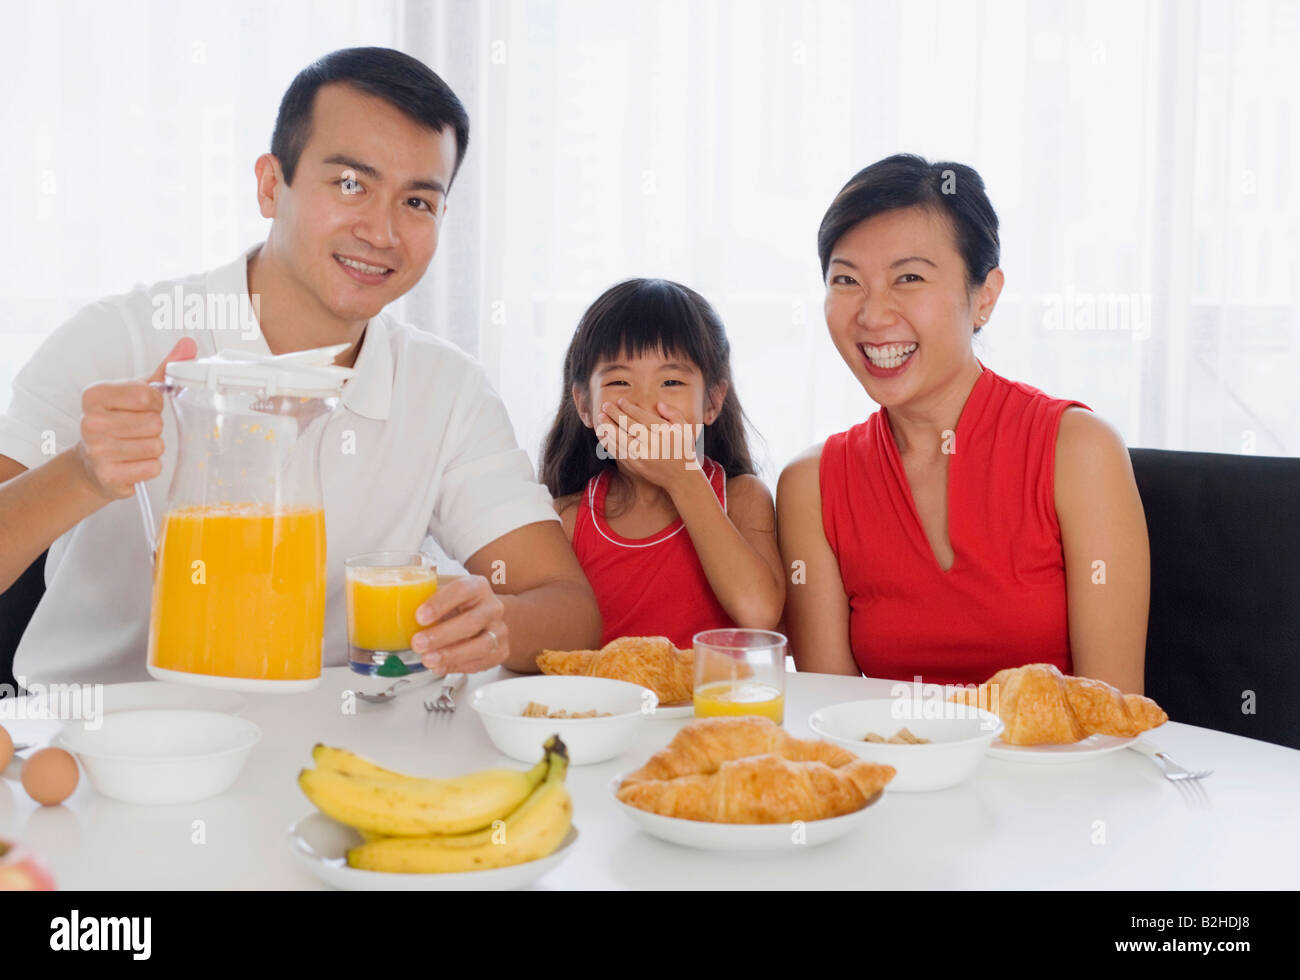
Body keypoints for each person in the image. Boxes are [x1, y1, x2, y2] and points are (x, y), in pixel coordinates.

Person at [0, 47, 600, 686]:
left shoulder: (445, 389)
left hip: (323, 747)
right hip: (101, 747)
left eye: (418, 202)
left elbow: (567, 609)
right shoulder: (119, 340)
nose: (381, 231)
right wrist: (85, 474)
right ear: (269, 184)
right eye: (350, 184)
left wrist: (500, 622)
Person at [777, 154, 1150, 693]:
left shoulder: (1078, 450)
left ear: (985, 297)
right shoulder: (810, 484)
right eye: (846, 279)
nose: (873, 314)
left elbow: (1113, 716)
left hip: (1059, 775)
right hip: (897, 774)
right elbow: (832, 713)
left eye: (908, 277)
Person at [541, 279, 784, 649]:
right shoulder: (568, 520)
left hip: (714, 706)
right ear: (585, 406)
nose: (644, 403)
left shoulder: (742, 499)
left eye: (670, 381)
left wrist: (683, 479)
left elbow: (759, 614)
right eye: (620, 381)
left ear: (712, 402)